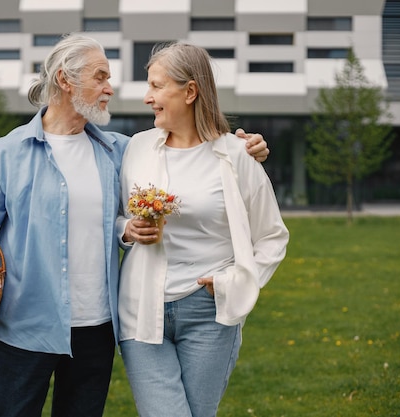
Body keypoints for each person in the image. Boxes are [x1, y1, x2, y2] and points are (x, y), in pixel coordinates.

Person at [0, 34, 270, 417]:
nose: (110, 88)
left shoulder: (121, 150)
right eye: (100, 77)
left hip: (97, 329)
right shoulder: (6, 153)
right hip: (26, 326)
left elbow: (176, 164)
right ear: (64, 81)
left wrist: (244, 145)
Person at [117, 42, 290, 417]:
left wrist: (237, 281)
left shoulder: (238, 156)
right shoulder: (136, 148)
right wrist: (127, 229)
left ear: (190, 91)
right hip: (141, 309)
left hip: (209, 312)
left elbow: (272, 237)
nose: (147, 98)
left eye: (157, 86)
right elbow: (113, 216)